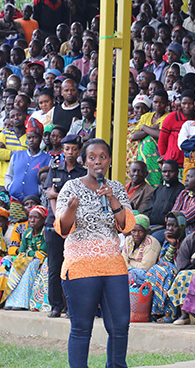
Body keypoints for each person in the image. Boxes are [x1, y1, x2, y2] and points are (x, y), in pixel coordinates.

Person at [54, 138, 136, 368]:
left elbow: (126, 226)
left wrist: (111, 199)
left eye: (103, 157)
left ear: (109, 161)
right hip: (81, 266)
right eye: (92, 157)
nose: (98, 162)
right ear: (84, 161)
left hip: (113, 265)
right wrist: (71, 208)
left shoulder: (117, 187)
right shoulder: (71, 187)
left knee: (120, 325)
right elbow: (63, 228)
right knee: (82, 327)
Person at [43, 134, 85, 318]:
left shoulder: (83, 172)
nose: (70, 152)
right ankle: (56, 306)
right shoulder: (54, 170)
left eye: (74, 149)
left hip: (75, 226)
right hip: (53, 225)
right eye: (67, 149)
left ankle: (72, 307)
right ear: (62, 150)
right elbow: (48, 194)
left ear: (79, 151)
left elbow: (80, 200)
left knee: (74, 267)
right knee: (55, 267)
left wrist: (57, 196)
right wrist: (60, 216)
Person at [1, 205, 49, 310]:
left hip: (42, 261)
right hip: (28, 259)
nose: (32, 220)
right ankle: (11, 300)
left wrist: (29, 254)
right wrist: (29, 254)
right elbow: (21, 251)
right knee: (15, 265)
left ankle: (23, 302)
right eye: (30, 217)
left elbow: (42, 253)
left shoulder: (46, 233)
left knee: (32, 266)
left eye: (36, 218)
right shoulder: (27, 232)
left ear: (44, 219)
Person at [143, 211, 186, 322]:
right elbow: (164, 261)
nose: (170, 229)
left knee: (166, 274)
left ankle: (169, 313)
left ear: (181, 226)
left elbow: (181, 262)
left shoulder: (187, 240)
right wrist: (172, 244)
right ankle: (155, 311)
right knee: (154, 272)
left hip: (182, 270)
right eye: (168, 225)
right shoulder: (168, 241)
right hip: (167, 269)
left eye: (174, 226)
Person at [143, 160, 185, 242]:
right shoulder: (159, 189)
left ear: (177, 172)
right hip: (152, 225)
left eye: (170, 171)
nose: (167, 174)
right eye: (164, 172)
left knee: (152, 239)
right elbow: (148, 210)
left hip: (166, 228)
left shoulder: (181, 191)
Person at [122, 214, 161, 285]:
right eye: (133, 231)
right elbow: (122, 261)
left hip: (144, 276)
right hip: (128, 272)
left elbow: (145, 267)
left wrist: (129, 263)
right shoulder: (128, 239)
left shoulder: (151, 243)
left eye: (140, 231)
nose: (136, 234)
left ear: (146, 231)